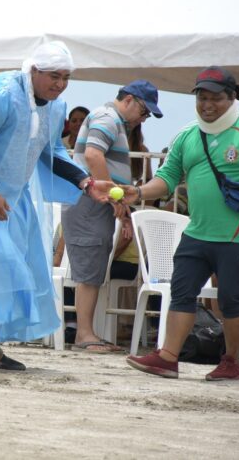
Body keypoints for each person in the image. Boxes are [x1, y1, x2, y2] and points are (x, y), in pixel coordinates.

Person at [0, 41, 115, 370]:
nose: (60, 84)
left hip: (14, 198)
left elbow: (52, 154)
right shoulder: (1, 93)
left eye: (66, 77)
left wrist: (86, 182)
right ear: (34, 71)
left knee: (13, 270)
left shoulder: (55, 106)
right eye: (53, 76)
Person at [124, 66, 239, 381]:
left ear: (231, 98)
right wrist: (135, 192)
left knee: (232, 298)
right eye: (202, 97)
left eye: (215, 98)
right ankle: (167, 357)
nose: (207, 104)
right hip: (196, 232)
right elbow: (166, 179)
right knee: (182, 291)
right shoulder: (188, 134)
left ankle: (231, 362)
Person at [63, 80, 163, 353]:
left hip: (91, 200)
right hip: (90, 201)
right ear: (129, 100)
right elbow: (94, 156)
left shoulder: (110, 119)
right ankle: (84, 334)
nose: (144, 118)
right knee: (89, 269)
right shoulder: (108, 118)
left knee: (93, 268)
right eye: (144, 111)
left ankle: (87, 332)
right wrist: (114, 196)